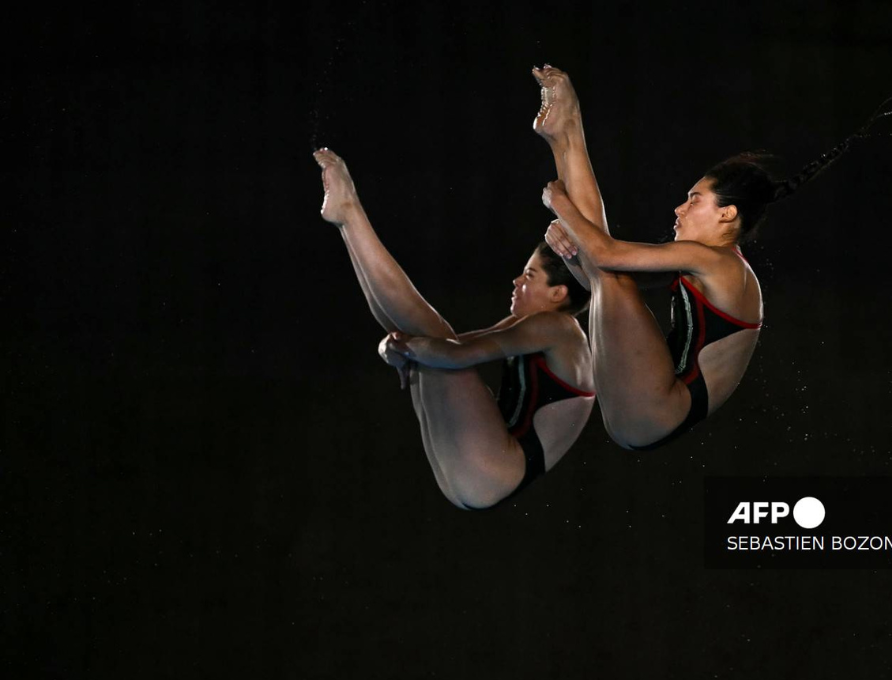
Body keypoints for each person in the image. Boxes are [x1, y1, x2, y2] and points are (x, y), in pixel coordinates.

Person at [533, 66, 852, 450]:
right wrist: (569, 251)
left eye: (693, 200)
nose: (679, 209)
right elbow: (599, 282)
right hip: (643, 416)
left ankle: (568, 133)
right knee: (611, 280)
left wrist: (561, 205)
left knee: (610, 271)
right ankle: (564, 136)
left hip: (657, 410)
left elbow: (604, 255)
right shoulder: (711, 262)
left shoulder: (720, 263)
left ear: (727, 213)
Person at [313, 148, 594, 510]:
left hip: (493, 468)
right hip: (478, 478)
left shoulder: (559, 328)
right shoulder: (539, 327)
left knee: (430, 336)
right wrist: (397, 348)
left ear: (558, 293)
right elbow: (447, 346)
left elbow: (456, 352)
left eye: (529, 276)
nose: (515, 281)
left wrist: (404, 348)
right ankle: (346, 222)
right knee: (425, 341)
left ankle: (350, 214)